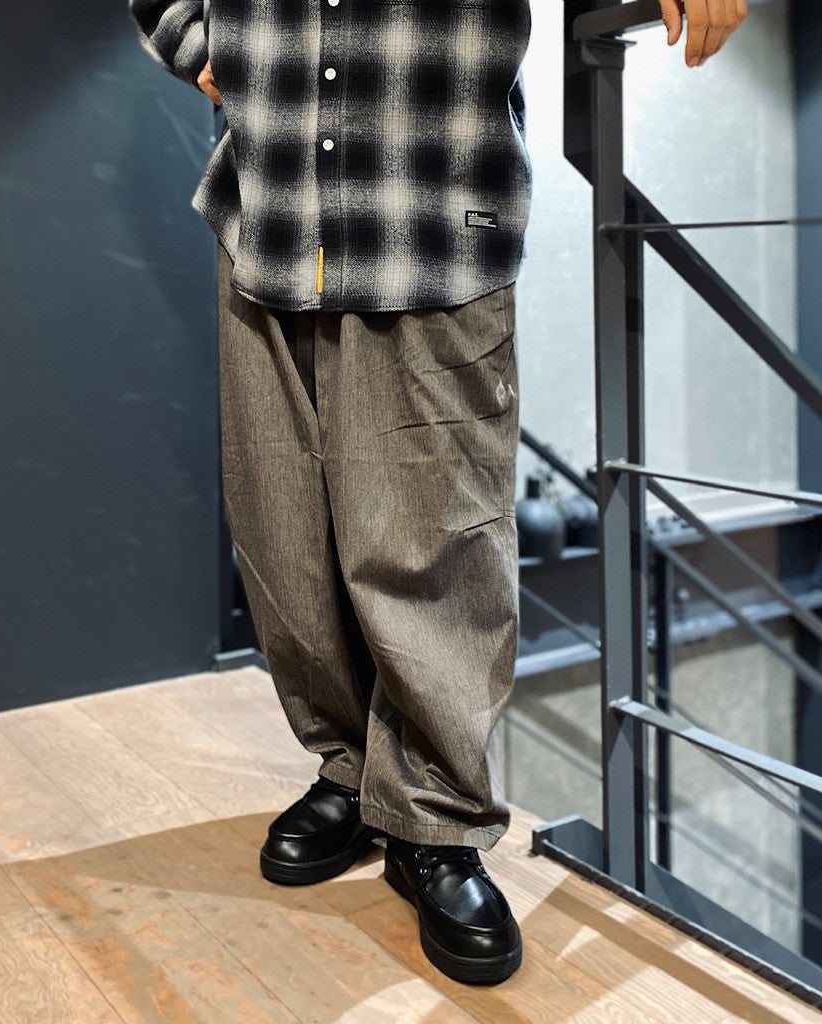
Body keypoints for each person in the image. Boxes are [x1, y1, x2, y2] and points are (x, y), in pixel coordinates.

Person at [129, 0, 747, 985]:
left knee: (438, 539)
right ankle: (349, 771)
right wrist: (202, 43)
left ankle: (433, 821)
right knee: (284, 534)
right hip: (271, 209)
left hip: (430, 204)